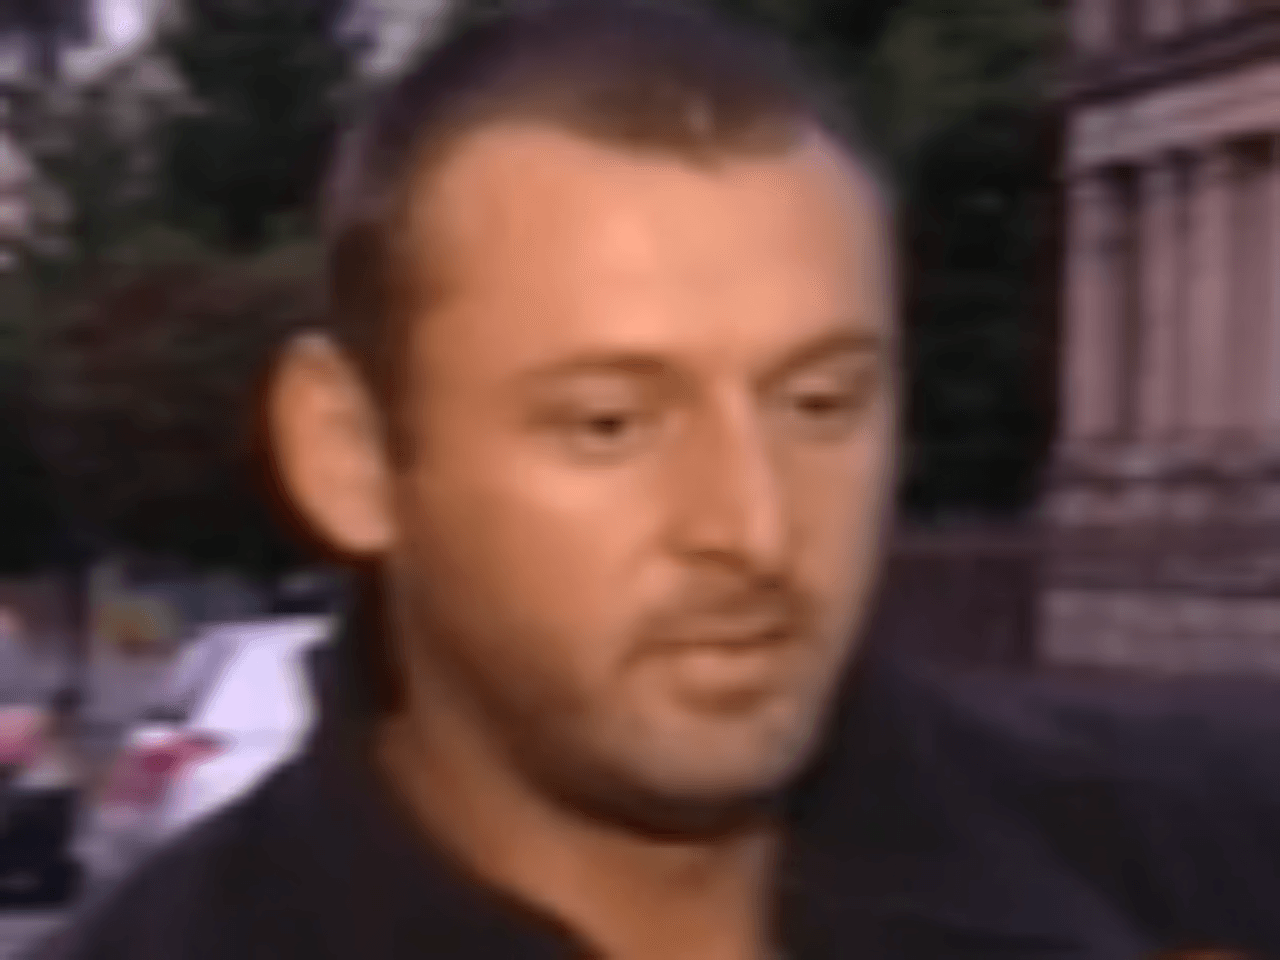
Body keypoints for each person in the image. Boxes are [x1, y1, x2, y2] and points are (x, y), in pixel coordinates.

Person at [49, 2, 1280, 958]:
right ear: (350, 454)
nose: (750, 526)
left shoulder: (1189, 854)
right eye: (609, 424)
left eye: (818, 404)